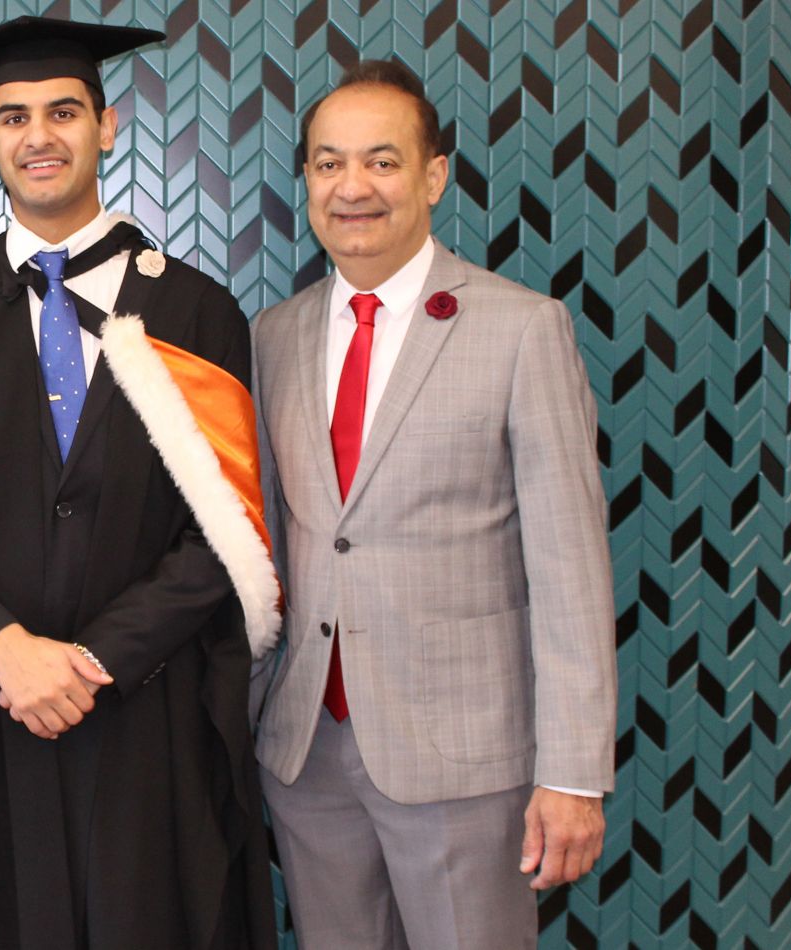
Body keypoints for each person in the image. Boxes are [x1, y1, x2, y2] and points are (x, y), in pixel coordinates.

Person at [0, 17, 280, 950]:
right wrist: (5, 647)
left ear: (108, 123)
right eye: (12, 117)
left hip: (142, 709)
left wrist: (92, 662)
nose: (37, 136)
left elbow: (225, 531)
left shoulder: (195, 309)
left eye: (62, 111)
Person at [250, 60, 617, 948]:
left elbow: (570, 566)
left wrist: (573, 774)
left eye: (382, 161)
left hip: (467, 756)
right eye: (329, 164)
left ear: (433, 174)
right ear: (307, 182)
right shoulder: (273, 336)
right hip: (307, 753)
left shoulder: (522, 327)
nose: (354, 188)